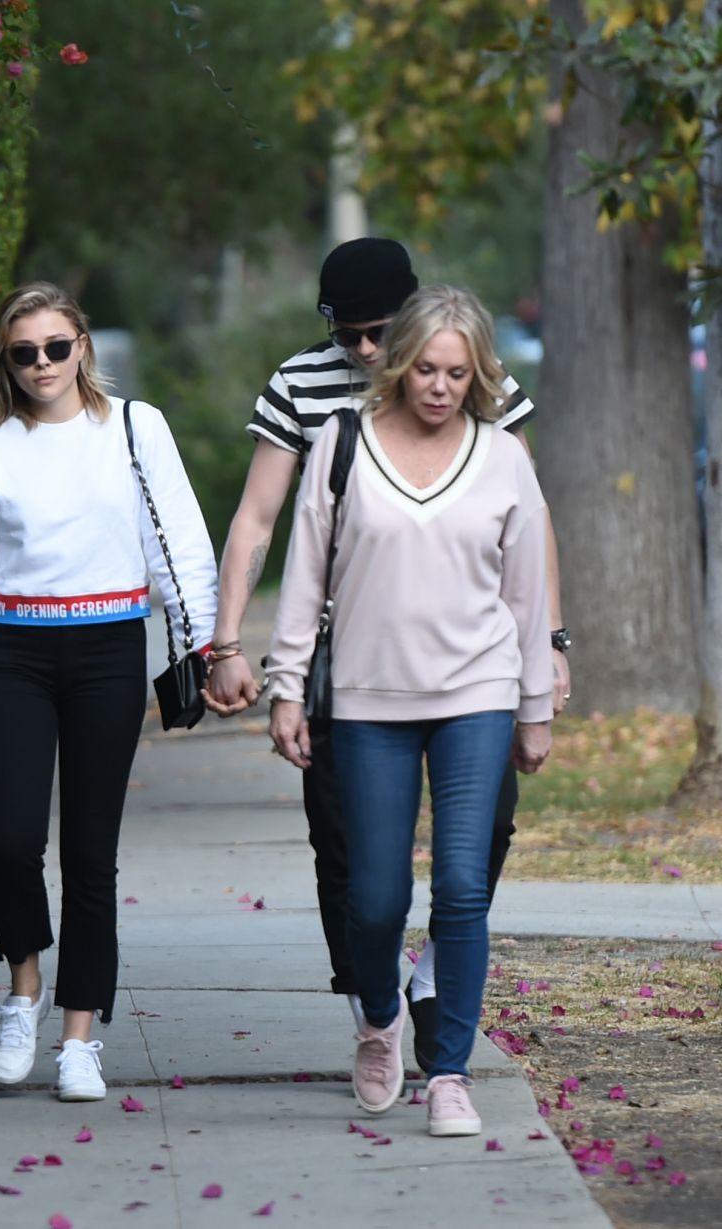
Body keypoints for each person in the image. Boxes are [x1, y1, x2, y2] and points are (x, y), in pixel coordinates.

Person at [203, 238, 571, 1069]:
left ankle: (439, 972)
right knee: (347, 850)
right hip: (353, 658)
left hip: (469, 654)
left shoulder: (466, 373)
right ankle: (375, 999)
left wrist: (550, 641)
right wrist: (229, 644)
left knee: (488, 827)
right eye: (348, 334)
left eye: (378, 332)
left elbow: (529, 515)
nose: (365, 351)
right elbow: (260, 520)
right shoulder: (303, 384)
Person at [265, 284, 554, 1136]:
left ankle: (451, 1072)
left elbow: (529, 589)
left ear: (479, 375)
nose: (439, 386)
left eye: (457, 373)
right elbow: (305, 572)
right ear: (399, 365)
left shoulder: (502, 456)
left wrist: (535, 705)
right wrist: (289, 686)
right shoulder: (340, 444)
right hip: (367, 701)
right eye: (426, 368)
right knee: (377, 898)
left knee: (464, 887)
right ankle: (380, 1018)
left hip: (477, 695)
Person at [0, 282, 217, 1101]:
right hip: (13, 652)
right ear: (5, 361)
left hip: (109, 648)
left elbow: (181, 545)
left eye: (57, 347)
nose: (43, 364)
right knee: (12, 843)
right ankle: (24, 990)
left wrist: (202, 648)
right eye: (25, 352)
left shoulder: (134, 427)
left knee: (92, 851)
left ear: (82, 345)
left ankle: (81, 1033)